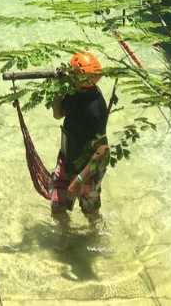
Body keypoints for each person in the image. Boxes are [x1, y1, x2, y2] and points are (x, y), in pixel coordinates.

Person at [50, 52, 110, 221]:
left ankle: (94, 239)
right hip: (67, 157)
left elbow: (103, 149)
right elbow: (58, 114)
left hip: (89, 166)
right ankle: (64, 242)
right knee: (58, 207)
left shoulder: (95, 107)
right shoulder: (73, 92)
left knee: (90, 211)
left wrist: (79, 179)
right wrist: (57, 89)